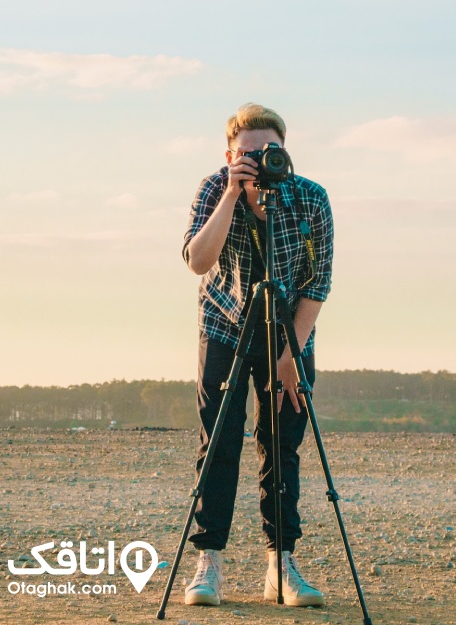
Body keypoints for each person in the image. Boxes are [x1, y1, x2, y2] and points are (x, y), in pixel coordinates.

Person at [180, 103, 333, 608]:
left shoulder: (312, 199)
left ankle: (281, 565)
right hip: (223, 322)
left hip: (287, 326)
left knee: (281, 442)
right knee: (219, 441)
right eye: (246, 154)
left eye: (270, 152)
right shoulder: (212, 188)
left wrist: (293, 350)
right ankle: (209, 564)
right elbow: (197, 261)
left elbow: (318, 282)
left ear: (284, 153)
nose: (258, 161)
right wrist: (230, 193)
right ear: (229, 154)